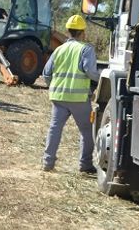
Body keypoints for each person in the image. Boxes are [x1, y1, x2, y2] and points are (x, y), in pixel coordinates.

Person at [41, 15, 100, 174]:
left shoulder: (59, 49)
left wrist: (52, 86)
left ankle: (48, 162)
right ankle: (85, 165)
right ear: (83, 32)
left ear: (67, 31)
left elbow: (46, 73)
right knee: (87, 131)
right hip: (79, 98)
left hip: (58, 98)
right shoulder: (86, 49)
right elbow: (91, 72)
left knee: (55, 129)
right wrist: (102, 78)